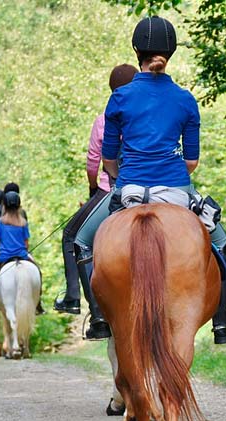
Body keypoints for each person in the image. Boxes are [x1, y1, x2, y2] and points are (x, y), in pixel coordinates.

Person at [74, 16, 226, 344]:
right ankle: (222, 322)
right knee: (220, 242)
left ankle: (99, 317)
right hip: (177, 189)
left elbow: (108, 160)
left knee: (81, 241)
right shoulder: (185, 99)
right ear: (171, 52)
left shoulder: (120, 97)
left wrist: (123, 177)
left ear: (137, 50)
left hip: (130, 188)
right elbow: (191, 161)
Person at [54, 64, 138, 340]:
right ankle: (220, 316)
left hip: (113, 189)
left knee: (73, 237)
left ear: (112, 90)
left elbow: (95, 162)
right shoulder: (146, 115)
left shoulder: (105, 119)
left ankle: (85, 306)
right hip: (158, 186)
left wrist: (94, 186)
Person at [0, 191, 42, 319]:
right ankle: (38, 304)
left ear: (4, 205)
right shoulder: (23, 222)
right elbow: (26, 244)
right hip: (23, 255)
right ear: (19, 206)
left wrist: (1, 249)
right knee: (38, 273)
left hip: (4, 257)